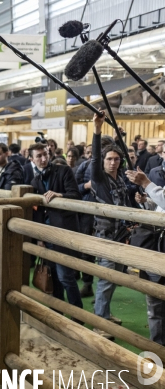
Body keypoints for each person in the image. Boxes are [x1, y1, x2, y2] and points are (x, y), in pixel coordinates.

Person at [29, 143, 84, 315]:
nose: (43, 158)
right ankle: (57, 312)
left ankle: (77, 314)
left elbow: (75, 194)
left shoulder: (63, 171)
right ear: (31, 159)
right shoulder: (35, 180)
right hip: (46, 234)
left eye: (45, 154)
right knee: (52, 274)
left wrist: (59, 195)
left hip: (63, 232)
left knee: (65, 276)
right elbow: (36, 212)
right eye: (38, 156)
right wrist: (39, 237)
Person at [91, 111, 130, 338]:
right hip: (105, 234)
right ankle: (99, 322)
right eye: (109, 159)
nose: (113, 162)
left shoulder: (120, 176)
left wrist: (117, 139)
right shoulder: (99, 177)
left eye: (116, 159)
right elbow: (96, 157)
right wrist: (97, 130)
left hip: (120, 234)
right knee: (106, 279)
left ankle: (104, 313)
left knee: (114, 277)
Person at [125, 167, 165, 345]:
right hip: (157, 247)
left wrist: (146, 184)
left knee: (155, 302)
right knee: (154, 299)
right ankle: (158, 349)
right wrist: (147, 201)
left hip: (160, 247)